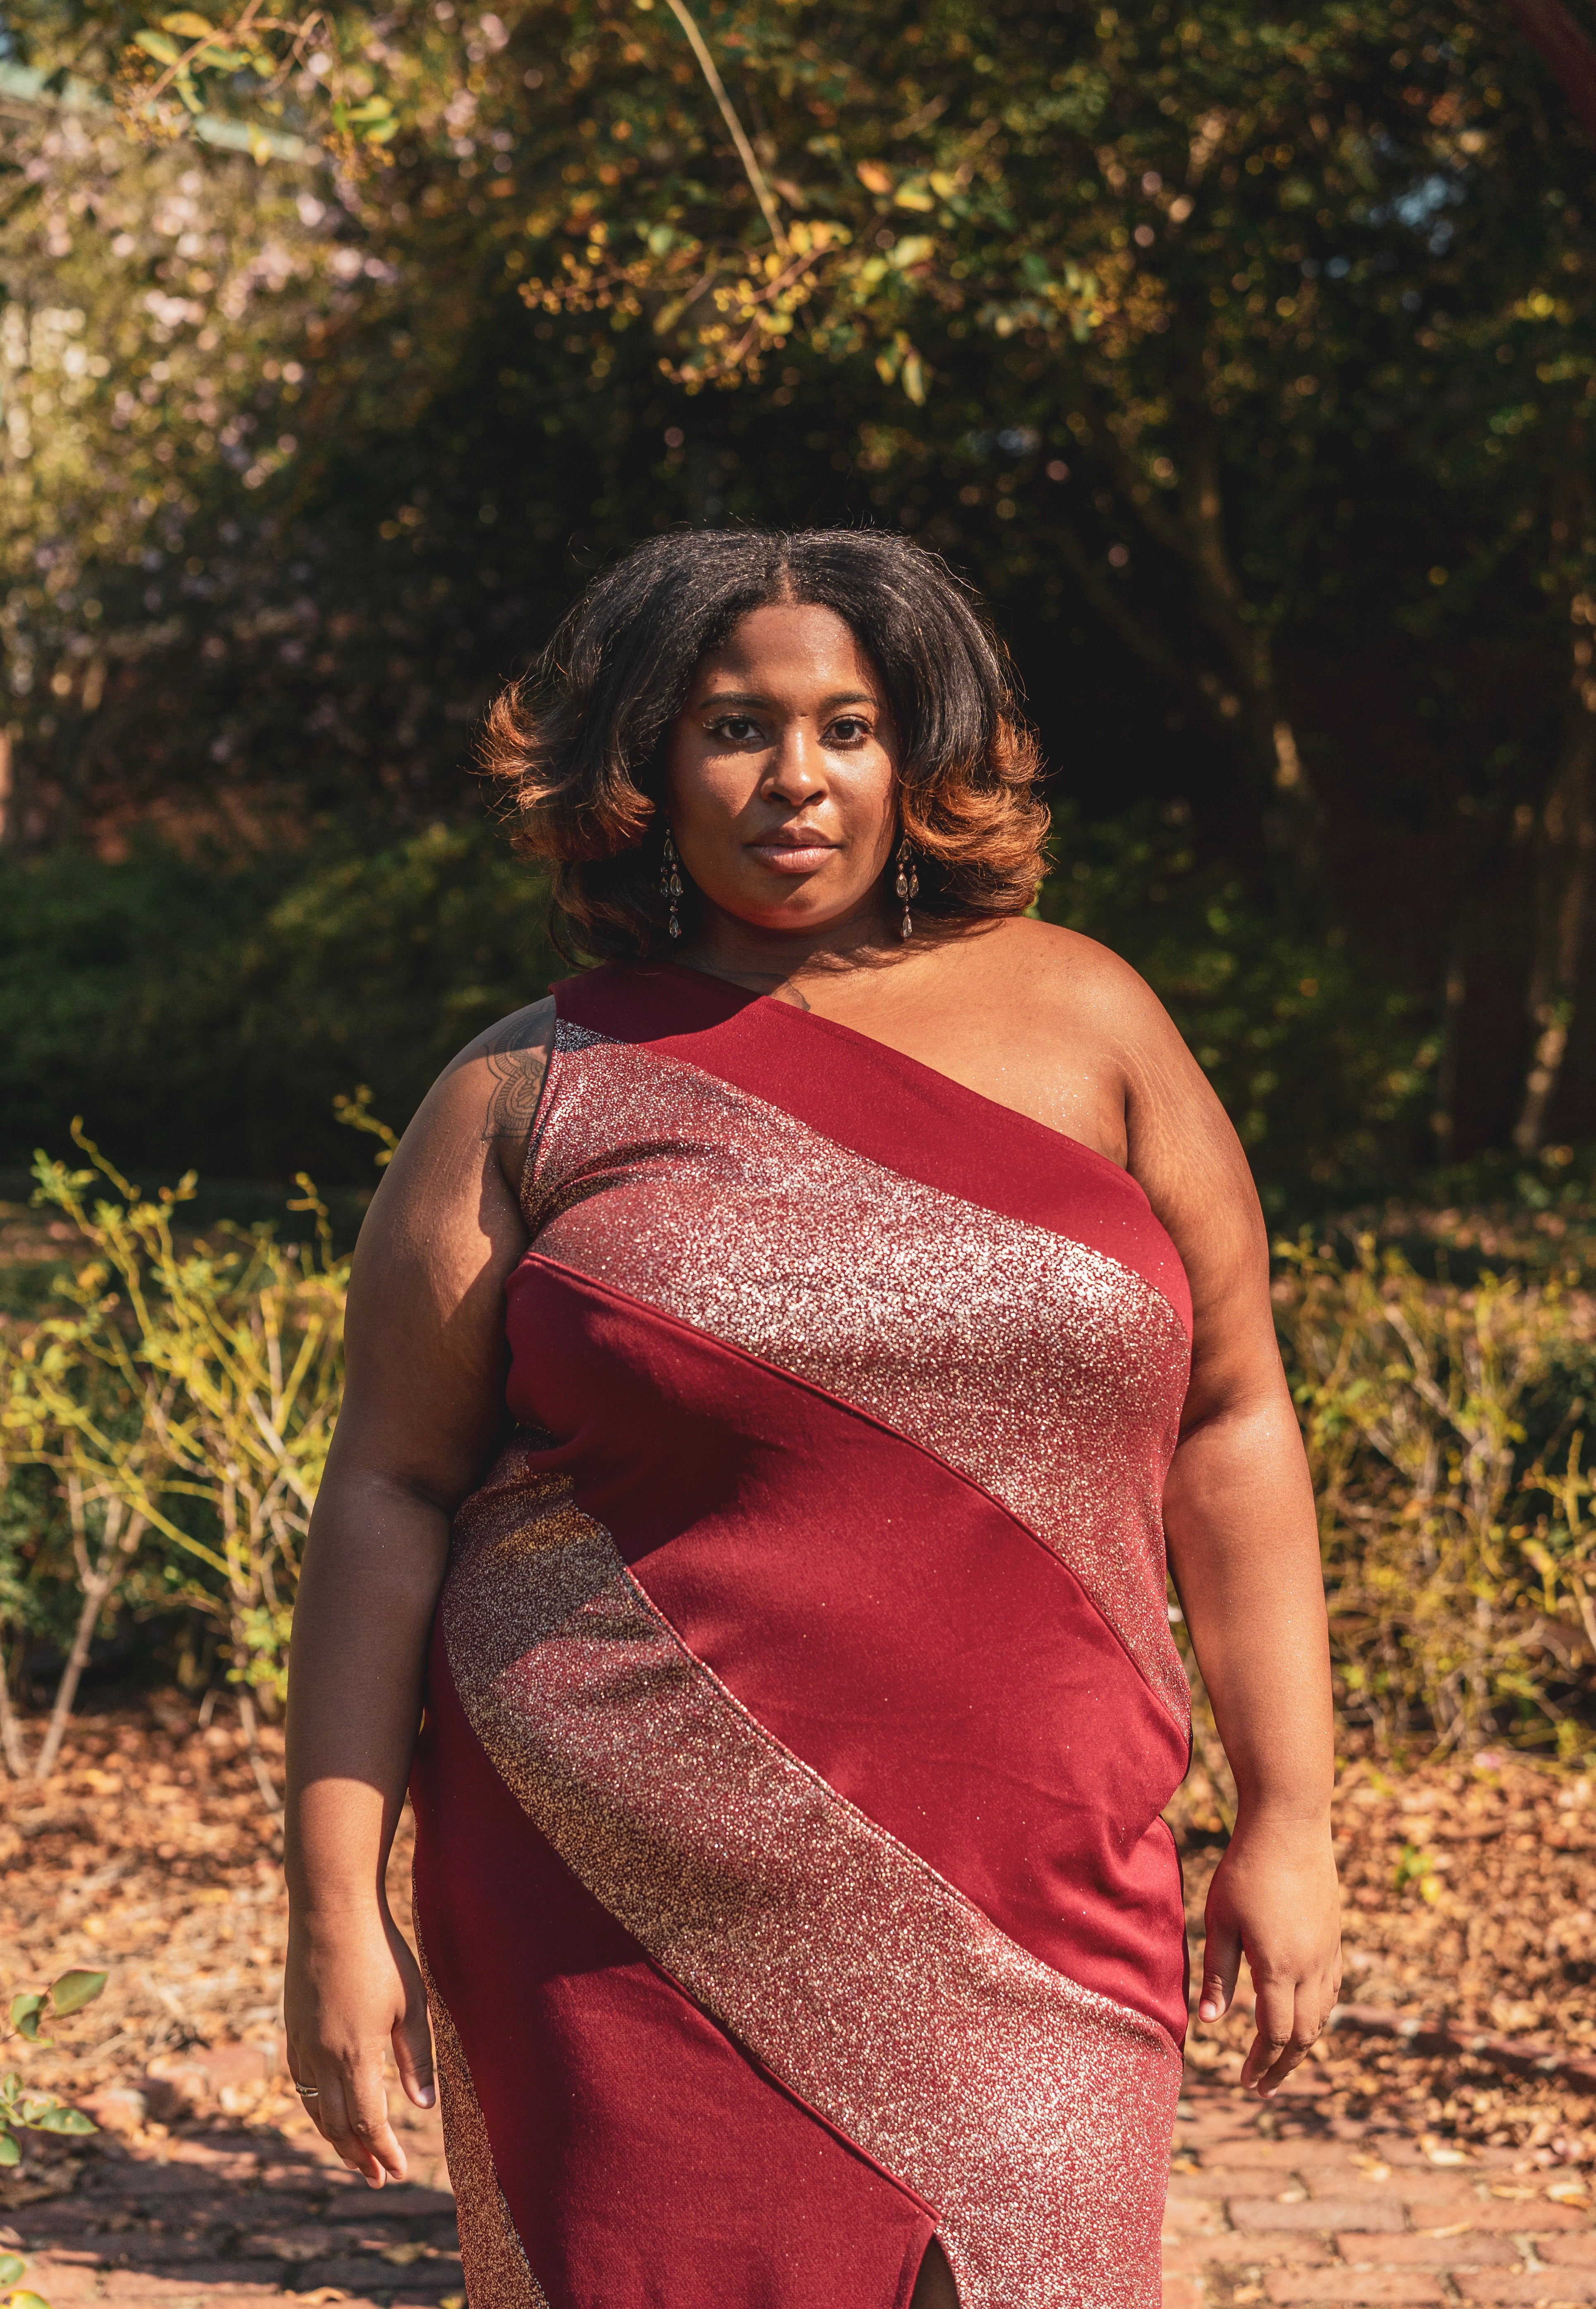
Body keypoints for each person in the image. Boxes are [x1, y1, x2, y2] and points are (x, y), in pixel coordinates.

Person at [283, 528, 1340, 2309]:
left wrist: (1289, 1813)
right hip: (613, 1891)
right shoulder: (528, 1087)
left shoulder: (1091, 1020)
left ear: (913, 753)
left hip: (1043, 1868)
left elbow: (1231, 1420)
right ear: (637, 763)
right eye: (730, 727)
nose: (794, 780)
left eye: (845, 727)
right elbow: (388, 1484)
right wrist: (331, 1896)